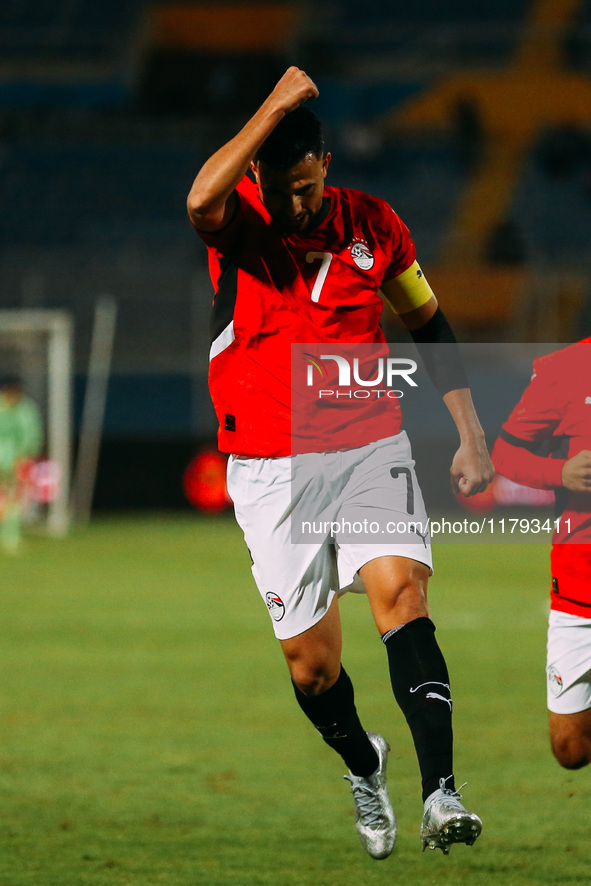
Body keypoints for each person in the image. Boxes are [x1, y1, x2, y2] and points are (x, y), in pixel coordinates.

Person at [187, 67, 493, 858]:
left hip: (366, 444)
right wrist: (273, 107)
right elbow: (196, 199)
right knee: (312, 668)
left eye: (303, 184)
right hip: (265, 463)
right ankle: (365, 763)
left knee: (401, 594)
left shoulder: (375, 227)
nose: (295, 204)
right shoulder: (241, 224)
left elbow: (428, 324)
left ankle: (440, 795)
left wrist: (468, 432)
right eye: (278, 187)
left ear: (324, 163)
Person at [492, 339, 591, 770]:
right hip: (578, 582)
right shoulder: (564, 369)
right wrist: (559, 472)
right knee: (570, 749)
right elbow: (505, 453)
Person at [0, 376, 43, 552]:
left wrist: (24, 456)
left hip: (17, 458)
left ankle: (10, 537)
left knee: (14, 498)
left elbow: (31, 434)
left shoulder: (26, 408)